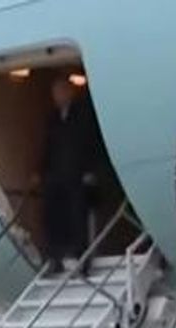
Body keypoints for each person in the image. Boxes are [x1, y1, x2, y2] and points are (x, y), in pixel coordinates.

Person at [37, 77, 104, 275]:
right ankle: (55, 257)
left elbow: (94, 144)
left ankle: (82, 260)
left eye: (61, 92)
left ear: (70, 92)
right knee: (53, 217)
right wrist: (40, 172)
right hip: (57, 176)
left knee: (78, 218)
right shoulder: (52, 118)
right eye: (55, 93)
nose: (57, 97)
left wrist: (92, 171)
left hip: (78, 176)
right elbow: (47, 148)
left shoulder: (84, 114)